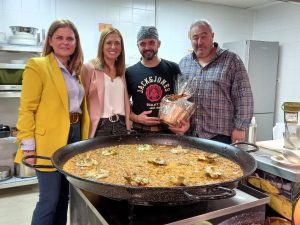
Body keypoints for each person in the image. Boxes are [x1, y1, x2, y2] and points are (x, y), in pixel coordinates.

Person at [14, 19, 89, 225]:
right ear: (50, 41)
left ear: (76, 42)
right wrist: (28, 146)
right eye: (60, 38)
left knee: (64, 197)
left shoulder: (76, 70)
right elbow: (27, 109)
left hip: (73, 135)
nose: (65, 42)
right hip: (48, 140)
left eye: (70, 38)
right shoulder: (37, 66)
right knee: (49, 200)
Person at [179, 19, 254, 144]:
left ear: (212, 36)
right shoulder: (184, 63)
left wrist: (240, 127)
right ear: (190, 39)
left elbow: (243, 96)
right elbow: (180, 98)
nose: (200, 42)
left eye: (204, 36)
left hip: (220, 136)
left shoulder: (231, 60)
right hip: (190, 134)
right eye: (195, 38)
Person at [126, 26, 189, 134]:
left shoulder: (173, 68)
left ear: (158, 43)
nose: (147, 47)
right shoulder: (129, 72)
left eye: (151, 42)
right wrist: (136, 118)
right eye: (142, 43)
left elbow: (183, 100)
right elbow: (123, 104)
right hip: (140, 131)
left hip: (169, 131)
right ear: (137, 46)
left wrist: (185, 120)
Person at [81, 27, 131, 138]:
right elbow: (82, 102)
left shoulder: (121, 71)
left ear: (121, 47)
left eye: (117, 43)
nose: (113, 47)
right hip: (100, 127)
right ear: (101, 46)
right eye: (109, 43)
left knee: (123, 156)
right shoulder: (89, 68)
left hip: (121, 125)